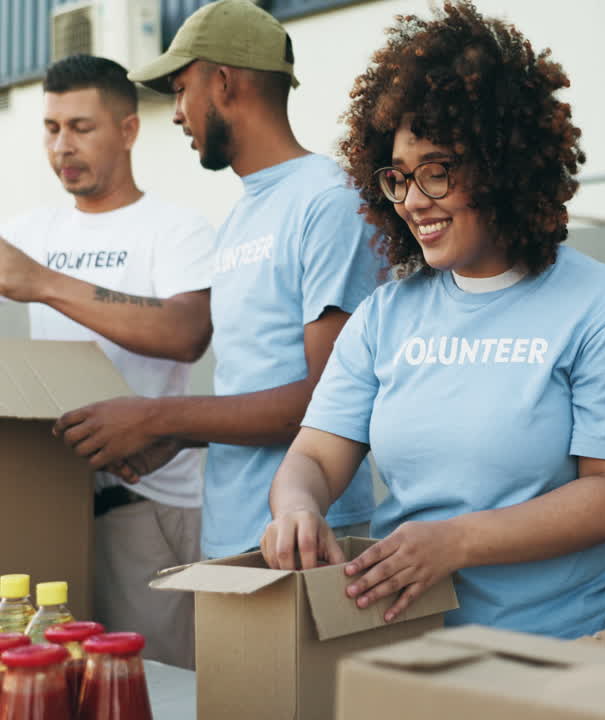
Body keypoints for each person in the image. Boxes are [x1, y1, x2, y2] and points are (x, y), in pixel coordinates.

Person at [258, 1, 605, 638]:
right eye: (398, 178)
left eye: (436, 172)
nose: (413, 201)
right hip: (411, 646)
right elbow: (315, 455)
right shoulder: (383, 316)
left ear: (502, 164)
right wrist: (296, 506)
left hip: (563, 651)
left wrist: (455, 542)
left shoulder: (602, 306)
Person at [52, 0, 381, 559]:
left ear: (224, 82)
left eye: (181, 90)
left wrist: (159, 417)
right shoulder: (238, 218)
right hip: (230, 532)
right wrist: (178, 436)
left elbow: (331, 401)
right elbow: (252, 383)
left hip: (303, 539)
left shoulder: (329, 203)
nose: (177, 114)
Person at [0, 55, 214, 668]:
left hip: (147, 503)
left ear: (128, 130)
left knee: (150, 684)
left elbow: (186, 333)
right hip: (50, 494)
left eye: (81, 127)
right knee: (54, 678)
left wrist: (44, 283)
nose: (62, 146)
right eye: (51, 128)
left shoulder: (176, 229)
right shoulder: (29, 230)